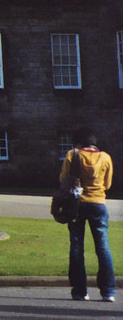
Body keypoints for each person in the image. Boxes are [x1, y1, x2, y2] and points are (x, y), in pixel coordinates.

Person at [61, 127, 115, 302]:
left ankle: (80, 291)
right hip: (98, 203)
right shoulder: (105, 157)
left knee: (77, 247)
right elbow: (107, 184)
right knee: (103, 246)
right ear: (94, 142)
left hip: (77, 205)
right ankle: (108, 292)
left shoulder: (72, 155)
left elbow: (63, 179)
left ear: (78, 143)